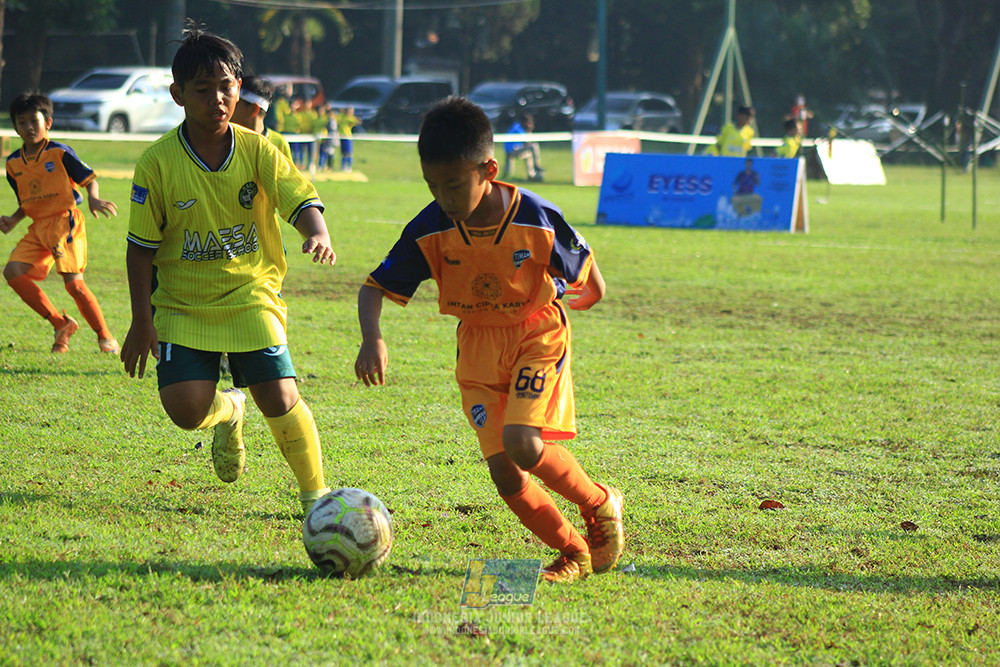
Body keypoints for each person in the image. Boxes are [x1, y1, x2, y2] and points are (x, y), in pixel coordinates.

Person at [353, 97, 624, 583]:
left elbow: (593, 283)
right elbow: (375, 286)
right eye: (433, 186)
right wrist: (371, 337)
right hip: (476, 345)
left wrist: (565, 305)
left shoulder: (535, 217)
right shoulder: (430, 226)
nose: (443, 198)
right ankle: (574, 552)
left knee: (522, 442)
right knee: (505, 472)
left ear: (488, 170)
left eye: (453, 185)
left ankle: (600, 502)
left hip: (535, 334)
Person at [119, 21, 337, 516]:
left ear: (239, 89)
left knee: (280, 396)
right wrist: (141, 319)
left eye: (226, 87)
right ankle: (229, 410)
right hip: (181, 302)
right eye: (203, 89)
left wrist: (317, 232)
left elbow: (299, 200)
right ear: (178, 94)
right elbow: (139, 249)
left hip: (250, 293)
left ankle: (316, 499)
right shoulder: (156, 164)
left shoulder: (259, 150)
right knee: (184, 410)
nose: (217, 99)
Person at [1, 92, 119, 354]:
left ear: (48, 123)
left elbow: (89, 179)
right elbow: (28, 200)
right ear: (16, 126)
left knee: (73, 283)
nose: (29, 127)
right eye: (22, 123)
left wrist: (94, 199)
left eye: (34, 121)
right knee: (12, 272)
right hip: (37, 227)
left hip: (65, 222)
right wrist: (14, 219)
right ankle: (60, 324)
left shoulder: (59, 152)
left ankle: (105, 337)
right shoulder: (13, 164)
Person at [230, 73, 294, 164]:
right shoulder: (227, 141)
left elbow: (288, 177)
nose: (229, 108)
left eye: (235, 104)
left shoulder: (279, 143)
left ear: (254, 109)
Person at [503, 113, 543, 181]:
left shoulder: (517, 127)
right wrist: (529, 131)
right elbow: (527, 142)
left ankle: (531, 174)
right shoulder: (517, 128)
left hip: (515, 149)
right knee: (534, 146)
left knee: (529, 155)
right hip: (512, 150)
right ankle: (537, 166)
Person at [336, 106, 360, 172]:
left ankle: (349, 167)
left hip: (347, 136)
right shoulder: (342, 116)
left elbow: (358, 122)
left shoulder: (351, 118)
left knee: (349, 152)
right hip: (342, 136)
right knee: (343, 152)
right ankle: (343, 166)